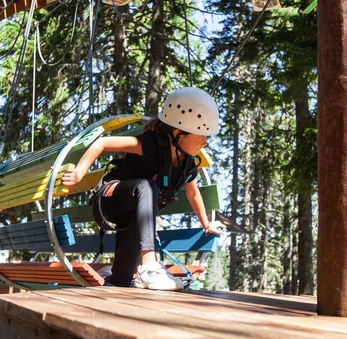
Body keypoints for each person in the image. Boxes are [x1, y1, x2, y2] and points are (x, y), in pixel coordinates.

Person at [61, 87, 225, 290]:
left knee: (121, 280)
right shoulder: (149, 145)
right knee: (146, 186)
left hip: (133, 216)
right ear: (178, 133)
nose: (205, 142)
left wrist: (206, 223)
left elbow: (193, 193)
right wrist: (78, 173)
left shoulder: (187, 164)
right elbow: (102, 143)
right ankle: (149, 266)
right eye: (201, 136)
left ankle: (117, 274)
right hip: (110, 200)